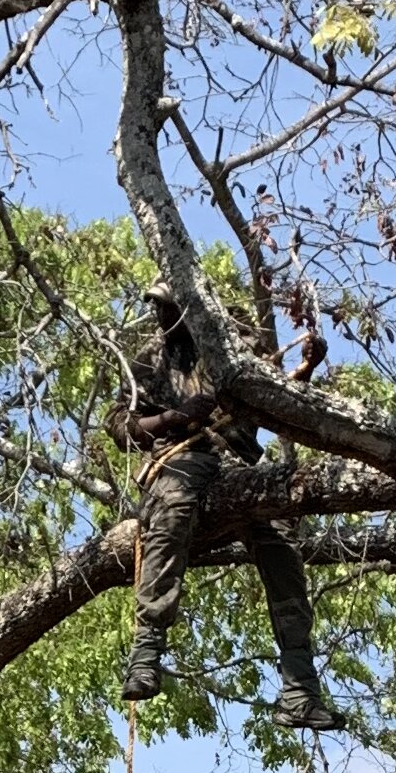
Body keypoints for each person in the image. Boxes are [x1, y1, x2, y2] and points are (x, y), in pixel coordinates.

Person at [117, 286, 339, 732]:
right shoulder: (149, 359)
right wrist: (173, 418)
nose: (159, 313)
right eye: (156, 305)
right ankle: (146, 653)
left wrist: (307, 367)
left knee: (281, 545)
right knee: (174, 508)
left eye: (166, 305)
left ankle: (300, 691)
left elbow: (276, 400)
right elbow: (121, 426)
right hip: (181, 456)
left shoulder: (229, 348)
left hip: (239, 461)